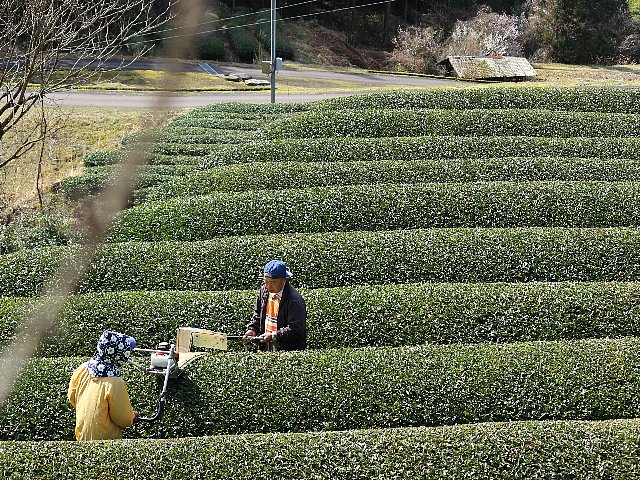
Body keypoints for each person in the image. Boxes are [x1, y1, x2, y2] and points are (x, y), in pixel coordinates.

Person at [68, 330, 138, 441]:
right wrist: (131, 417)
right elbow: (122, 419)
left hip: (81, 436)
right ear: (120, 355)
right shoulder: (115, 382)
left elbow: (72, 397)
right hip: (105, 442)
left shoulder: (82, 369)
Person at [244, 259, 307, 351]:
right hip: (266, 344)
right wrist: (252, 329)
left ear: (284, 280)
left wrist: (273, 335)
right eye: (266, 282)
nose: (268, 286)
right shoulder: (264, 291)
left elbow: (296, 330)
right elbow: (258, 314)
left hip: (286, 349)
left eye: (272, 282)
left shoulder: (294, 300)